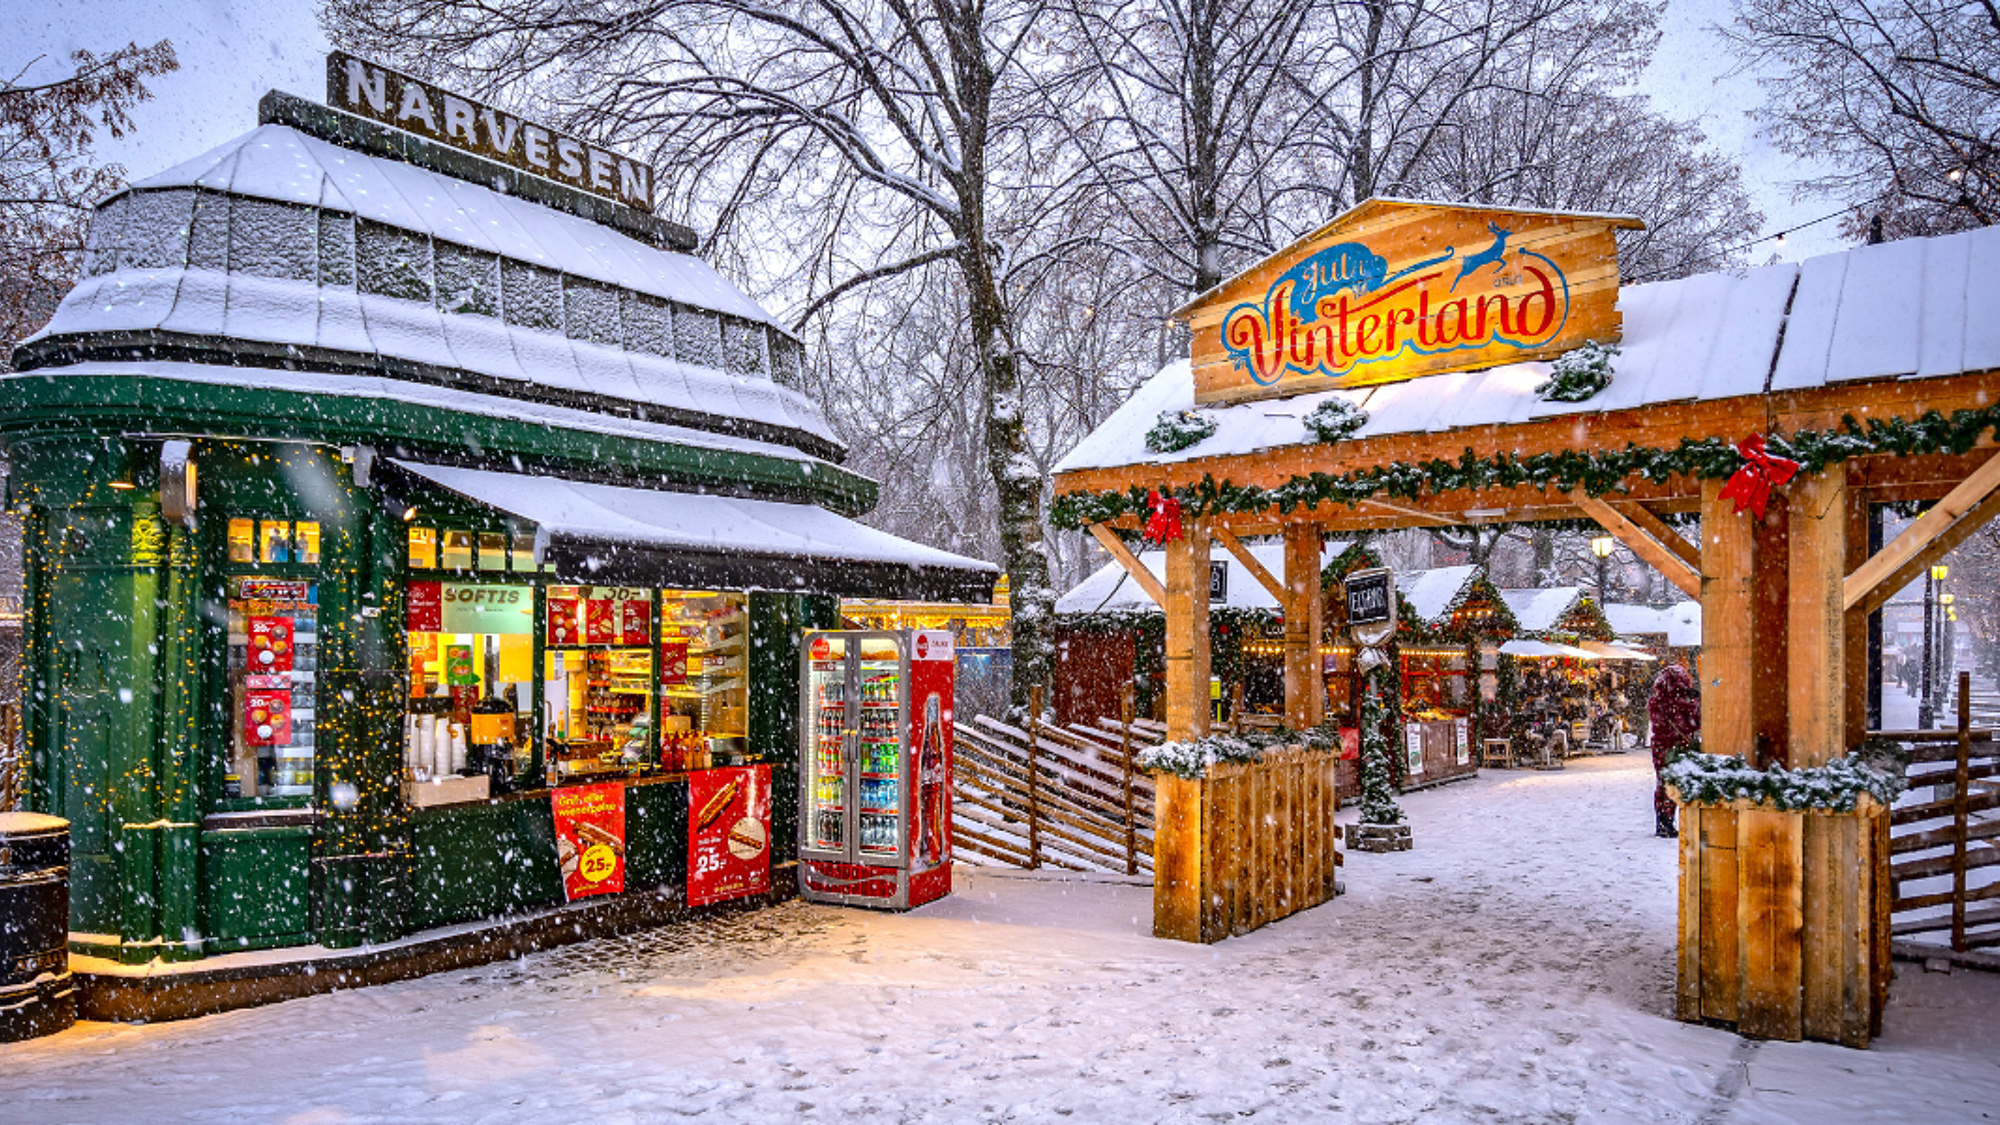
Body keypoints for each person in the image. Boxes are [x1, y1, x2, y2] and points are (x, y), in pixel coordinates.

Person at [1646, 663, 1701, 838]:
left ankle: (1663, 820)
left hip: (1660, 747)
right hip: (1679, 746)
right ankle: (1670, 820)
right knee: (1677, 783)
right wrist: (1696, 702)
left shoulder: (1657, 702)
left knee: (1663, 783)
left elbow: (1659, 724)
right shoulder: (1685, 703)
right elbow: (1695, 723)